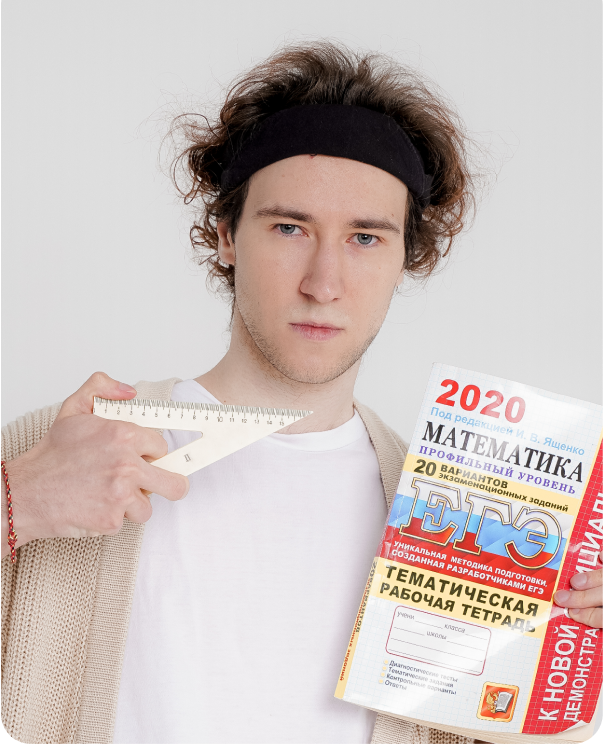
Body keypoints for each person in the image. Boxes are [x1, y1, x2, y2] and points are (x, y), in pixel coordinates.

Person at [1, 41, 600, 744]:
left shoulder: (467, 523)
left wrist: (570, 669)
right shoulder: (61, 449)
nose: (323, 282)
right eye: (289, 228)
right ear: (227, 236)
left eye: (365, 238)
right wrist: (19, 501)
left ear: (406, 257)